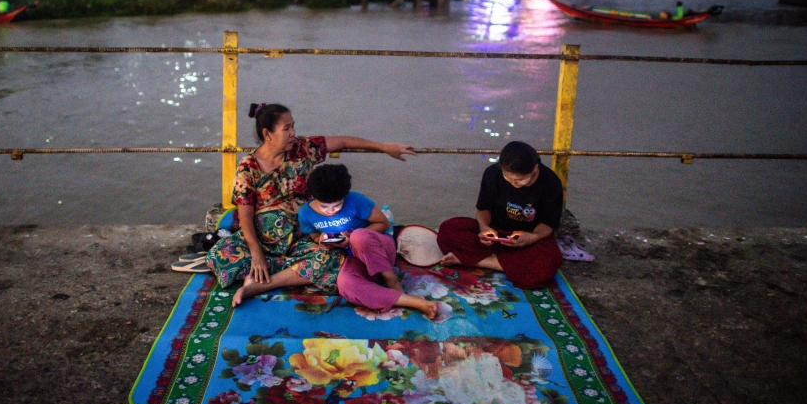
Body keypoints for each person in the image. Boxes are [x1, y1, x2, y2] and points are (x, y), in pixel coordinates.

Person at [206, 103, 416, 306]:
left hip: (302, 235)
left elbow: (342, 142)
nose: (293, 133)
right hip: (265, 239)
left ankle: (262, 283)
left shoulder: (302, 149)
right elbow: (245, 216)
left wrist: (385, 147)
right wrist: (257, 254)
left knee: (333, 258)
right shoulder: (247, 168)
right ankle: (276, 269)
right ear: (267, 133)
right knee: (220, 255)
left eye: (293, 126)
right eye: (286, 128)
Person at [299, 164, 441, 320]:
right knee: (346, 285)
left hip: (379, 251)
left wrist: (351, 239)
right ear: (313, 198)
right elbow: (313, 236)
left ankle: (391, 280)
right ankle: (412, 302)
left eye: (337, 205)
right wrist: (322, 239)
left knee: (359, 237)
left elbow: (383, 224)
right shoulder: (306, 213)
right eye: (324, 206)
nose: (331, 211)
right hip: (354, 259)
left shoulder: (356, 200)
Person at [436, 141, 563, 289]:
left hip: (526, 240)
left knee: (549, 262)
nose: (513, 183)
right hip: (496, 234)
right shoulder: (492, 174)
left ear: (534, 169)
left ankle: (472, 260)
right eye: (508, 178)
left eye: (519, 180)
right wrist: (484, 227)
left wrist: (532, 237)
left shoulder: (550, 183)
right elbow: (483, 209)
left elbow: (548, 224)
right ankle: (506, 263)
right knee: (449, 229)